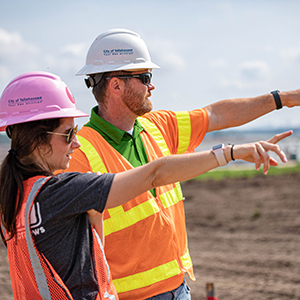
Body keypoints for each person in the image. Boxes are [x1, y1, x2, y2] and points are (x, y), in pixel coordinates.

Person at [0, 71, 291, 300]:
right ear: (39, 139)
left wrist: (285, 98)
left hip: (174, 283)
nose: (73, 142)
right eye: (67, 134)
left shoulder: (14, 195)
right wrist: (230, 153)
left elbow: (214, 115)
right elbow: (154, 174)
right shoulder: (62, 188)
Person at [63, 28, 300, 300]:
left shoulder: (157, 126)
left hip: (178, 288)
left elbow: (216, 114)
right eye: (145, 77)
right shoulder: (78, 154)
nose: (152, 86)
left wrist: (286, 99)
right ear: (116, 85)